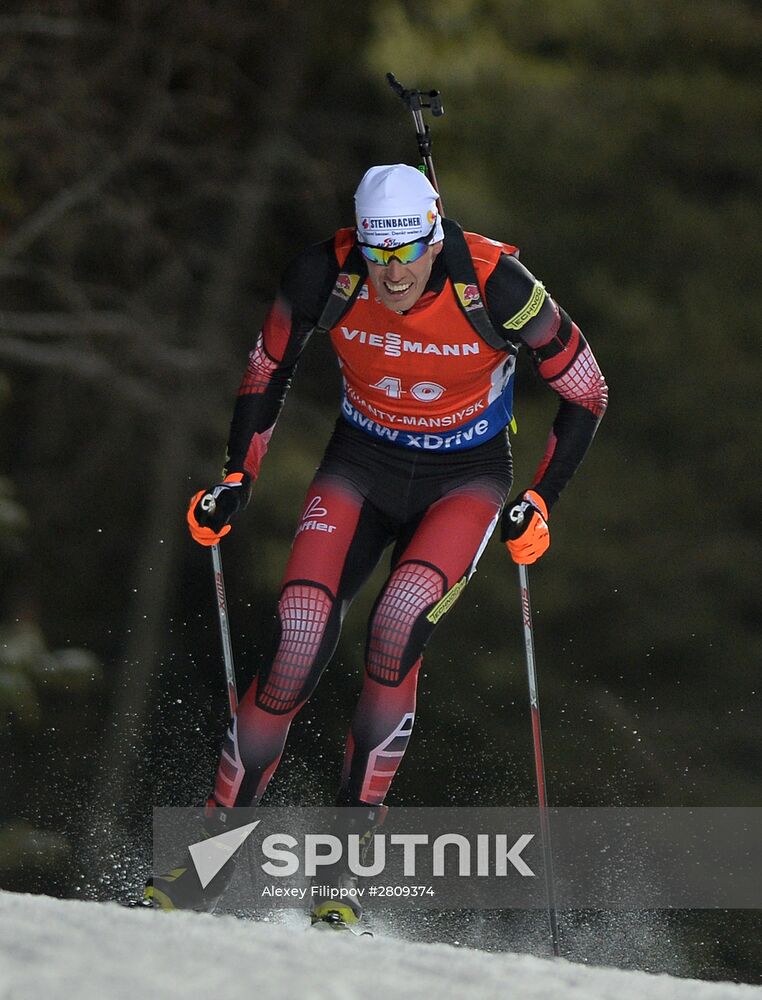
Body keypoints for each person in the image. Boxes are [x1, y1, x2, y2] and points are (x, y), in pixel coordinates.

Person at [145, 164, 608, 925]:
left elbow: (585, 389)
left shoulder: (495, 284)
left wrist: (540, 501)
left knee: (397, 625)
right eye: (377, 254)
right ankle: (207, 863)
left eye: (407, 253)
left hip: (465, 479)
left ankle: (344, 873)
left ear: (434, 236)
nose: (392, 274)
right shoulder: (322, 272)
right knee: (297, 637)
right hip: (360, 465)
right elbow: (269, 364)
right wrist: (237, 478)